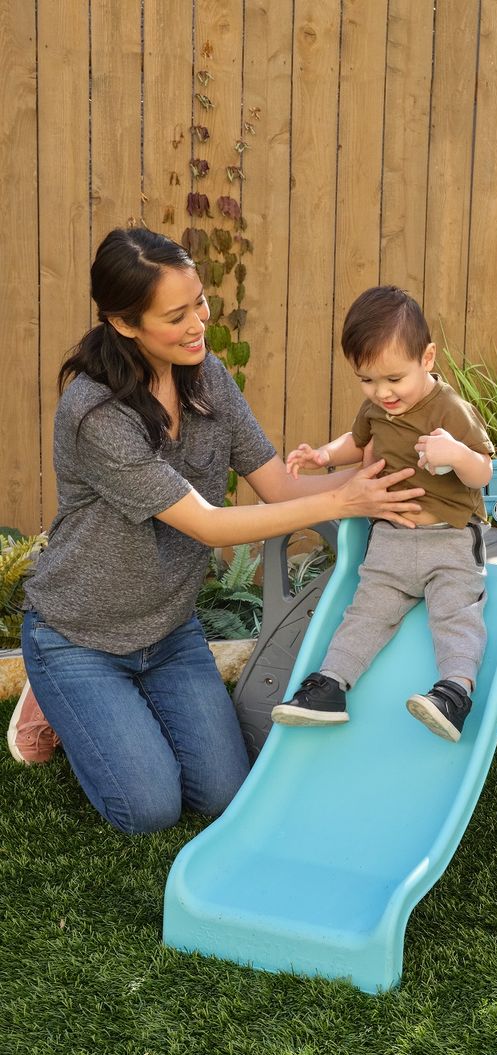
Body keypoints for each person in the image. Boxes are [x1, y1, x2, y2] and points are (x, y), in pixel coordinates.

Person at [11, 227, 425, 834]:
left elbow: (280, 487)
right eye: (175, 316)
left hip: (171, 631)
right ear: (126, 324)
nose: (198, 323)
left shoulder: (208, 379)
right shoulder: (93, 413)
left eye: (199, 302)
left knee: (224, 794)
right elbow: (207, 525)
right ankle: (59, 697)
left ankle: (120, 711)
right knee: (148, 811)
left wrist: (378, 480)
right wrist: (341, 498)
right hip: (81, 636)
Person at [270, 286, 494, 742]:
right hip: (391, 539)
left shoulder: (449, 408)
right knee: (365, 614)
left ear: (427, 358)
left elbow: (483, 472)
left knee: (456, 614)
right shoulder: (376, 407)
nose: (382, 392)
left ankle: (454, 692)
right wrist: (323, 456)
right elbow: (356, 442)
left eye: (394, 378)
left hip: (448, 539)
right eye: (368, 380)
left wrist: (454, 452)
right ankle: (330, 685)